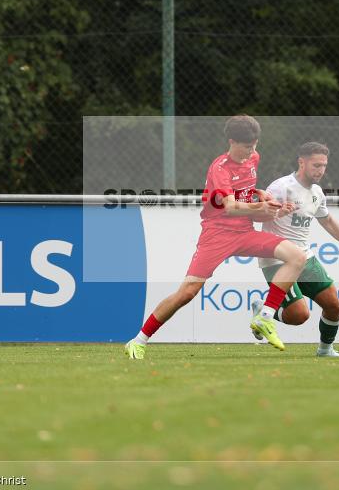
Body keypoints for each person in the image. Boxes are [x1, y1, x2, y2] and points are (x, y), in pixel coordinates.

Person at [125, 115, 307, 359]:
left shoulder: (253, 157)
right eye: (246, 146)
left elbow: (244, 192)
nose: (251, 150)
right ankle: (138, 340)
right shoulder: (219, 168)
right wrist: (260, 208)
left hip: (244, 231)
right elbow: (229, 206)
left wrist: (261, 195)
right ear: (232, 141)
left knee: (297, 257)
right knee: (187, 293)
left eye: (254, 145)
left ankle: (265, 317)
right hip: (217, 234)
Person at [252, 141, 339, 357]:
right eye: (316, 165)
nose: (320, 170)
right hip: (277, 258)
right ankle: (263, 311)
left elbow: (327, 221)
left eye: (324, 166)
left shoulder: (317, 193)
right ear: (302, 162)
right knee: (299, 315)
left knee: (333, 305)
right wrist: (278, 211)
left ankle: (325, 349)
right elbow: (256, 215)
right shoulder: (281, 187)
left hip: (304, 257)